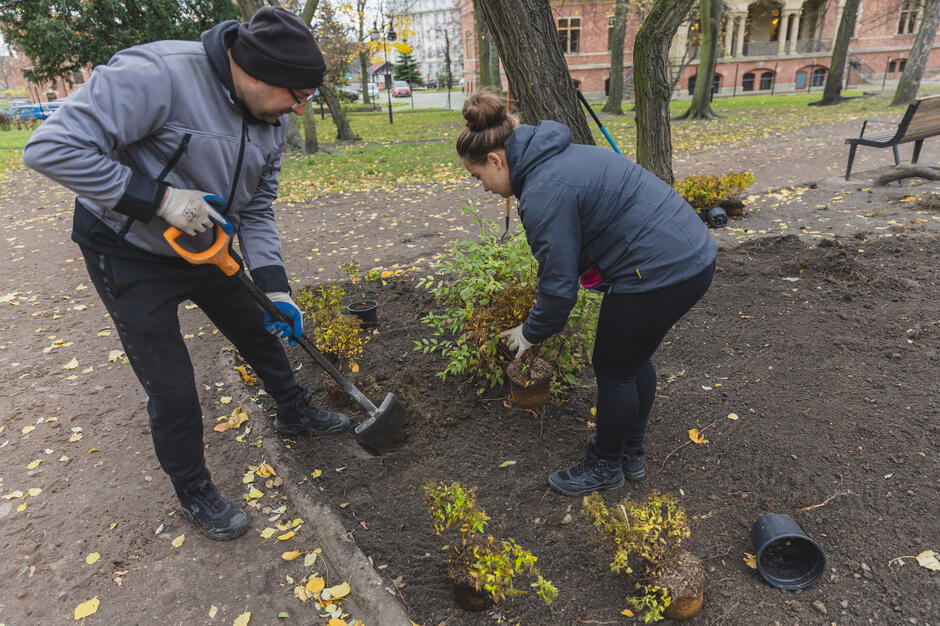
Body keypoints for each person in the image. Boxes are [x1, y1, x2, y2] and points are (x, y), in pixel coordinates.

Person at [23, 7, 350, 540]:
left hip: (205, 244)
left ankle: (295, 410)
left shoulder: (274, 114)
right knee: (172, 386)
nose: (300, 108)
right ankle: (193, 488)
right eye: (297, 95)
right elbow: (51, 148)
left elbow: (259, 208)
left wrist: (277, 288)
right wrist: (159, 200)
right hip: (126, 248)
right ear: (255, 73)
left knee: (258, 327)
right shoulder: (156, 74)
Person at [456, 91, 717, 497]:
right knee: (630, 360)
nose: (484, 189)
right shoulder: (557, 156)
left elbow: (558, 291)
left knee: (613, 368)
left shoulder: (543, 191)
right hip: (690, 256)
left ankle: (605, 466)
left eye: (478, 178)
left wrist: (530, 332)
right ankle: (630, 453)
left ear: (496, 160)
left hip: (660, 269)